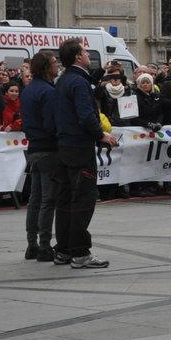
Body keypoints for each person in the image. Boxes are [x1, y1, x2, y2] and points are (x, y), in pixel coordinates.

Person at [52, 38, 119, 269]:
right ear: (78, 57)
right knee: (82, 200)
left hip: (64, 147)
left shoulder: (64, 80)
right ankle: (80, 252)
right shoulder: (78, 83)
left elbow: (86, 84)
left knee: (65, 200)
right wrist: (101, 135)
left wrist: (102, 72)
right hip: (80, 148)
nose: (89, 55)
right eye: (86, 52)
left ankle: (62, 249)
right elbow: (86, 114)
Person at [20, 49, 60, 261]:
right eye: (54, 62)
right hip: (47, 149)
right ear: (46, 67)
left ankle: (31, 244)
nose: (57, 66)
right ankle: (44, 245)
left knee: (35, 199)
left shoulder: (28, 89)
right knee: (47, 199)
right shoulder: (47, 91)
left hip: (34, 148)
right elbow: (50, 123)